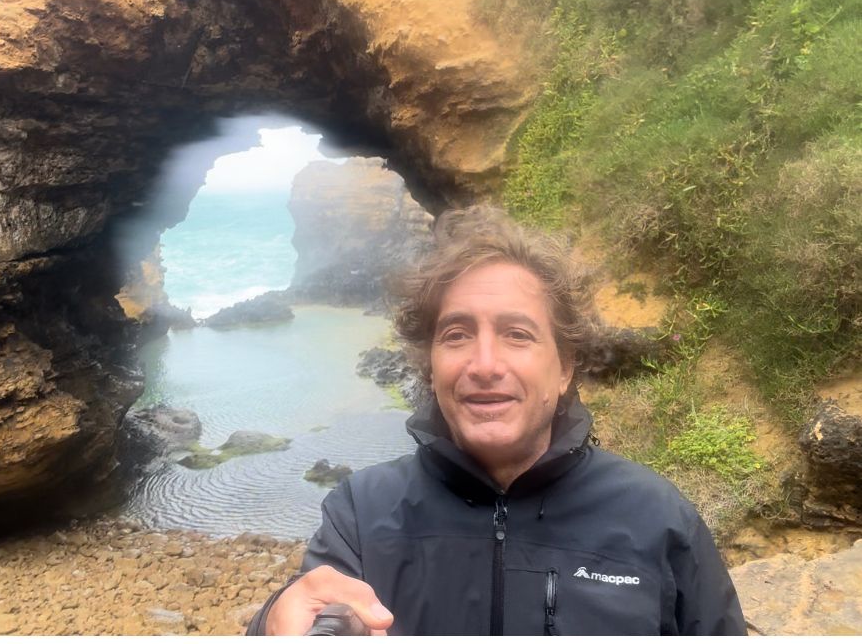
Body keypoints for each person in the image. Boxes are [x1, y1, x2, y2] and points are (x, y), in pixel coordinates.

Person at [247, 206, 746, 636]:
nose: (484, 365)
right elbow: (310, 610)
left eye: (517, 334)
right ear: (430, 366)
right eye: (457, 335)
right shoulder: (360, 514)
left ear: (565, 367)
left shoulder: (657, 519)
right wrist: (270, 621)